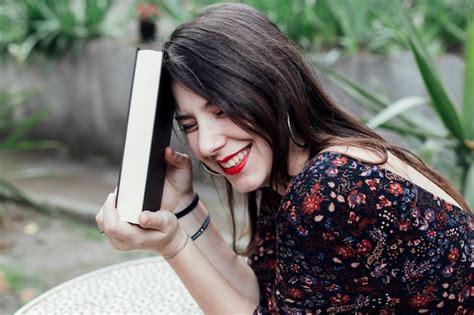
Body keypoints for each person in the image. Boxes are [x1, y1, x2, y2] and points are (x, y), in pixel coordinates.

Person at [96, 3, 473, 314]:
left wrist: (173, 246)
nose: (207, 144)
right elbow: (259, 293)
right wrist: (183, 206)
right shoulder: (295, 172)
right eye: (190, 124)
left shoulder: (331, 185)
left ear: (273, 87)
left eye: (222, 110)